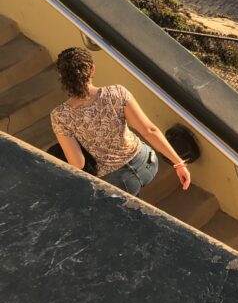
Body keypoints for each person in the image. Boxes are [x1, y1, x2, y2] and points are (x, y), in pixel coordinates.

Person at [50, 47, 191, 196]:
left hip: (120, 183)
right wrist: (179, 163)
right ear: (92, 70)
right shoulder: (117, 92)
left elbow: (78, 164)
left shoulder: (60, 116)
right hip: (148, 164)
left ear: (62, 77)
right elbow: (149, 130)